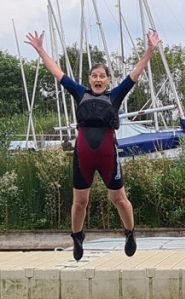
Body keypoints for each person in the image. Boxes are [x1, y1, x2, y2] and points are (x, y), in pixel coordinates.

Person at [25, 30, 161, 261]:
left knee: (118, 199)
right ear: (89, 79)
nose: (98, 79)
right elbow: (57, 72)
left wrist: (149, 50)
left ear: (108, 80)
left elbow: (136, 73)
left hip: (108, 157)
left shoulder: (115, 96)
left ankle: (129, 233)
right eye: (94, 76)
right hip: (83, 157)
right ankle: (77, 237)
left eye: (102, 76)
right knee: (80, 202)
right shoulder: (80, 93)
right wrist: (40, 50)